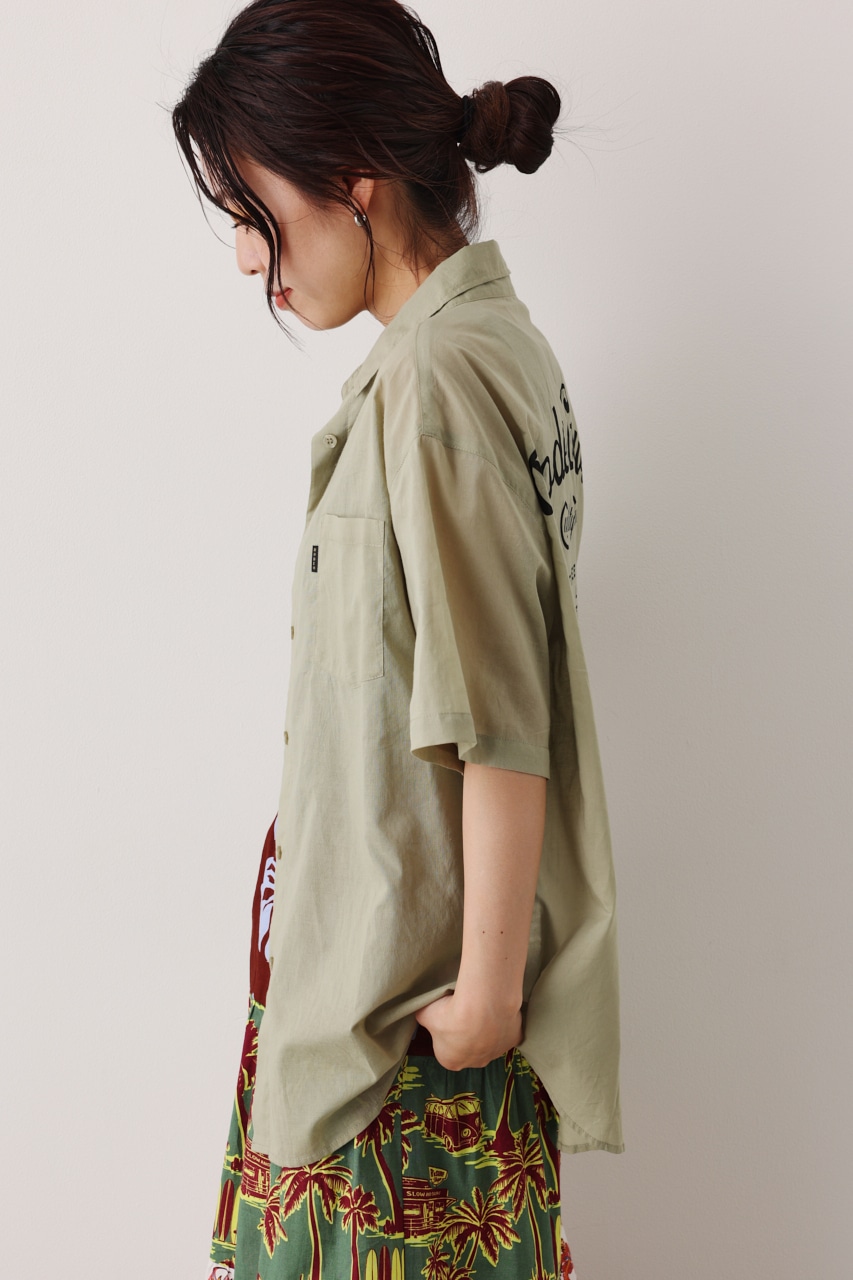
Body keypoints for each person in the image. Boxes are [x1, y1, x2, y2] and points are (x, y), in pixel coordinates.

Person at [171, 2, 625, 1277]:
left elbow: (500, 720)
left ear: (350, 180)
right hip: (377, 997)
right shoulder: (487, 347)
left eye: (254, 213)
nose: (249, 259)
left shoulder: (438, 380)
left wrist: (483, 997)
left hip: (402, 1041)